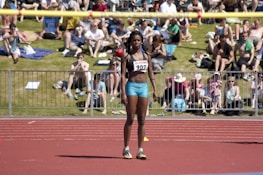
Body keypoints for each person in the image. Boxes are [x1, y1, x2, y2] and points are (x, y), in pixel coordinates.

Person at [120, 31, 157, 160]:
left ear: (142, 42)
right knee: (130, 118)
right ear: (131, 42)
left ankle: (140, 149)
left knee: (142, 119)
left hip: (144, 87)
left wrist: (155, 89)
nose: (136, 42)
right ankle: (126, 148)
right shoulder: (127, 57)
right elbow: (123, 76)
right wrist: (123, 93)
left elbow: (151, 73)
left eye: (138, 40)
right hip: (132, 86)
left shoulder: (147, 56)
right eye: (134, 40)